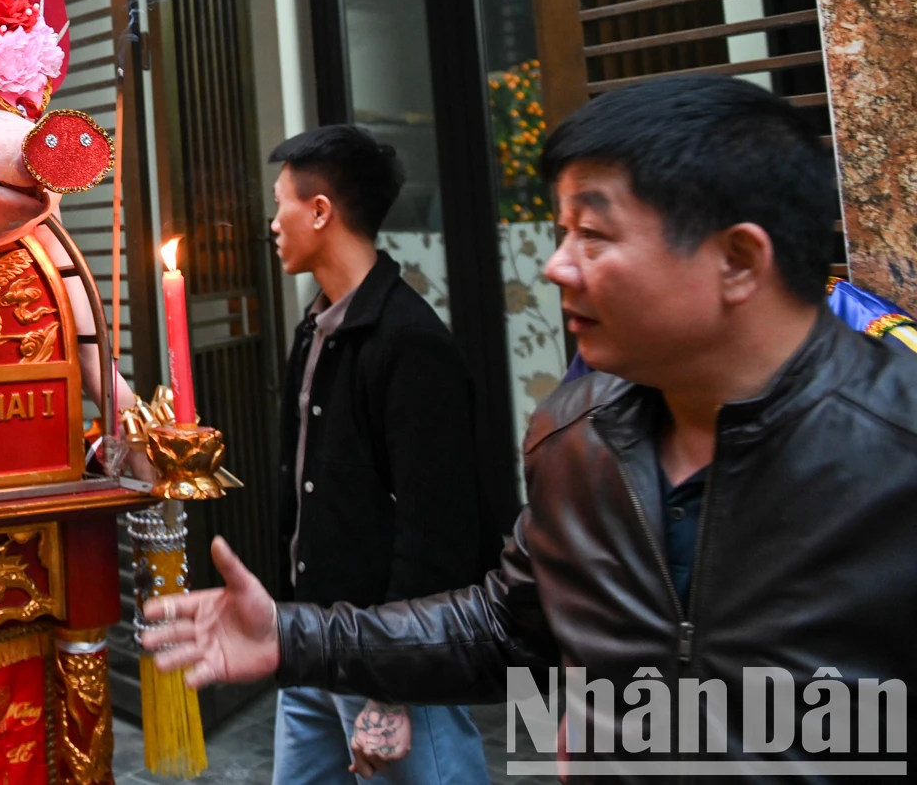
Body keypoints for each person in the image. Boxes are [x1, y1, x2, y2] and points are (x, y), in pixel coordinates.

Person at [143, 76, 915, 778]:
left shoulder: (894, 447)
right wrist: (296, 634)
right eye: (560, 231)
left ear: (739, 258)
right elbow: (504, 627)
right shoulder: (576, 438)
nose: (556, 266)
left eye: (595, 235)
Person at [262, 125, 490, 784]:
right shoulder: (316, 328)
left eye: (281, 202)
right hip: (310, 638)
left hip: (389, 655)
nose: (272, 222)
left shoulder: (410, 341)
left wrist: (391, 685)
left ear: (321, 210)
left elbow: (438, 530)